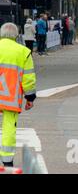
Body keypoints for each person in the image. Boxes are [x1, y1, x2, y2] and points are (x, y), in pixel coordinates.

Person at [0, 23, 37, 167]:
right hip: (10, 97)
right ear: (17, 35)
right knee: (9, 127)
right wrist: (30, 97)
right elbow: (28, 78)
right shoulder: (23, 52)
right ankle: (7, 161)